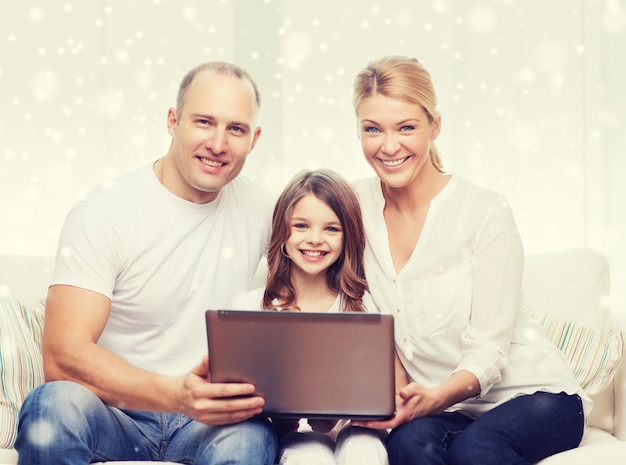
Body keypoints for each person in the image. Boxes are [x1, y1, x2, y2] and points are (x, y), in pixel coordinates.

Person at [15, 61, 278, 465]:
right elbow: (61, 356)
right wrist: (177, 395)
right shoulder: (104, 211)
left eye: (236, 129)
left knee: (251, 438)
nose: (219, 144)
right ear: (173, 121)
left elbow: (325, 269)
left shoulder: (264, 209)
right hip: (115, 412)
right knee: (51, 406)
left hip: (209, 424)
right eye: (204, 122)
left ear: (254, 139)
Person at [349, 55, 592, 465]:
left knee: (476, 449)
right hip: (447, 409)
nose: (389, 146)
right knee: (407, 444)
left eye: (406, 127)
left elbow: (488, 350)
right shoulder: (351, 208)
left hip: (535, 396)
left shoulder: (485, 212)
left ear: (435, 127)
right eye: (373, 129)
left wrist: (434, 397)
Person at [231, 169, 409, 465]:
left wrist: (344, 411)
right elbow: (235, 396)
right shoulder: (251, 307)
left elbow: (398, 391)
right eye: (301, 225)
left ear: (347, 236)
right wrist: (281, 418)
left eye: (331, 229)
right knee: (309, 455)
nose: (315, 239)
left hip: (356, 429)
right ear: (282, 233)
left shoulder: (365, 305)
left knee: (364, 451)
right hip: (293, 435)